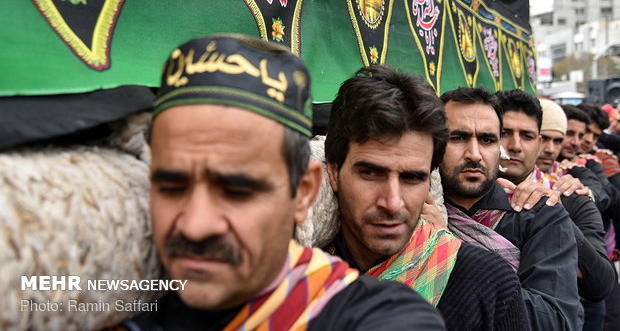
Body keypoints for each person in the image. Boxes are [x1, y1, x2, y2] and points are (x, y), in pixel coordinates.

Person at [115, 35, 445, 330]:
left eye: (238, 190)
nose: (195, 226)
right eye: (172, 187)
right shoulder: (111, 307)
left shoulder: (372, 316)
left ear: (303, 193)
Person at [323, 65, 530, 330]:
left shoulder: (489, 283)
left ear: (430, 180)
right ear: (333, 171)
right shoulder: (300, 280)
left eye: (412, 178)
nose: (393, 202)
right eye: (371, 173)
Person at [438, 86, 580, 331]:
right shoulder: (411, 213)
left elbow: (555, 321)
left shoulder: (540, 214)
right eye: (458, 137)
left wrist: (444, 251)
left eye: (487, 139)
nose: (474, 154)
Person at [496, 90, 615, 331]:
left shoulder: (571, 196)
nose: (515, 146)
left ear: (536, 143)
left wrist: (556, 216)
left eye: (527, 136)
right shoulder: (463, 197)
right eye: (504, 133)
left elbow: (601, 284)